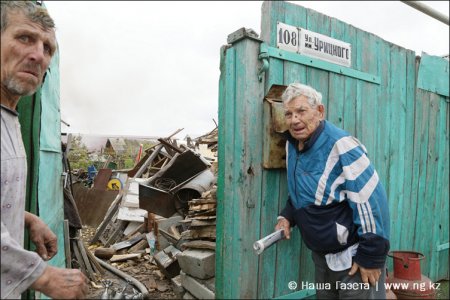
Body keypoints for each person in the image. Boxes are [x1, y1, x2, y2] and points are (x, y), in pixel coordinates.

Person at [1, 1, 89, 298]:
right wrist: (43, 275)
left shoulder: (9, 118)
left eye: (48, 48)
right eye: (24, 37)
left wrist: (27, 219)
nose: (38, 55)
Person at [275, 83, 390, 299]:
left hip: (355, 261)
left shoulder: (341, 145)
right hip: (322, 258)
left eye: (301, 111)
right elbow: (302, 191)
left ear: (319, 111)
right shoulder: (292, 145)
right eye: (288, 114)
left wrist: (372, 258)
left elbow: (372, 200)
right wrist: (287, 216)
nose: (294, 120)